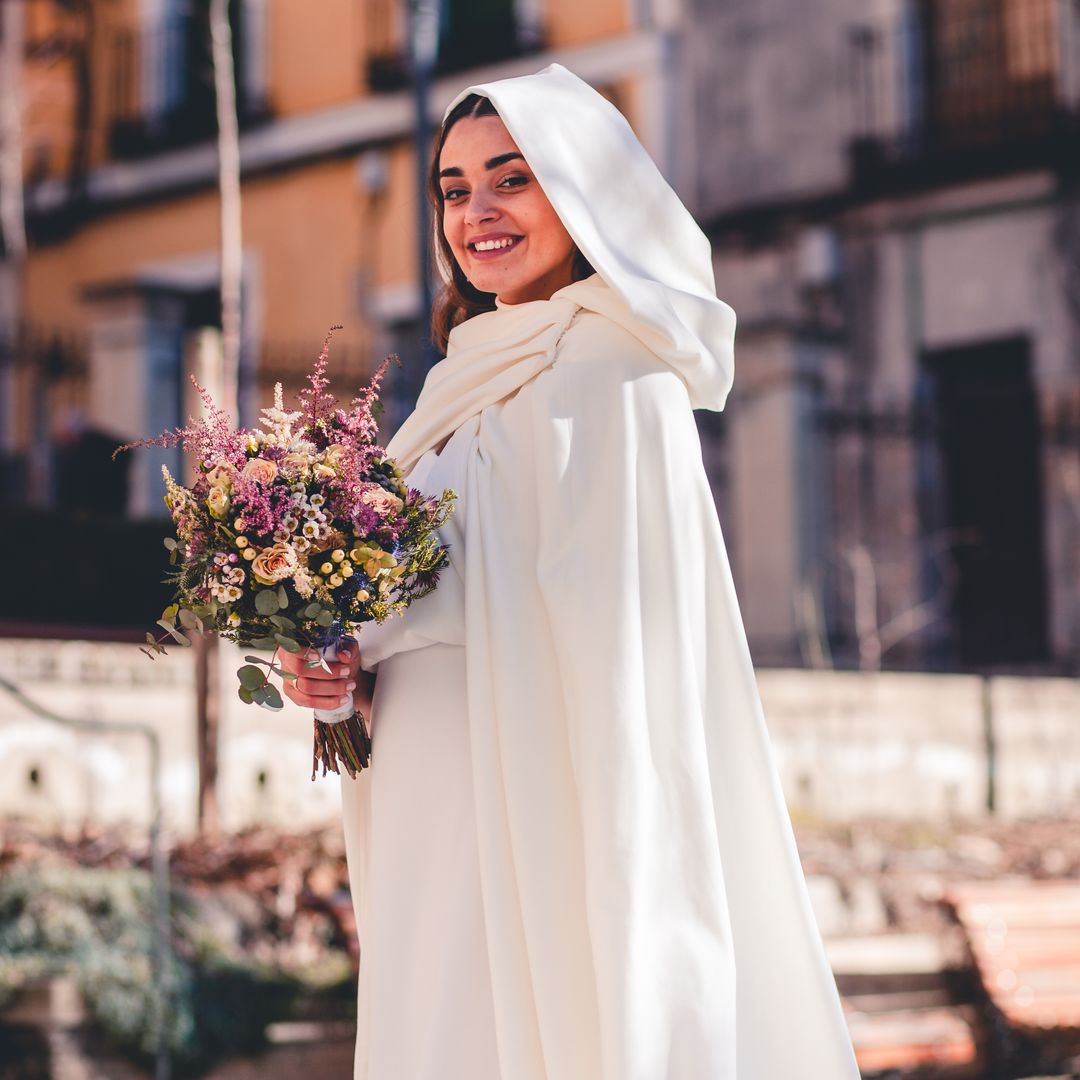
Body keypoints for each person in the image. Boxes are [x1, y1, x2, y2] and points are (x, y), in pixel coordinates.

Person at [279, 63, 860, 1080]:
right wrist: (335, 672)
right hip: (429, 801)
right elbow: (423, 598)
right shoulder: (455, 386)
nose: (478, 213)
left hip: (547, 795)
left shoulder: (615, 367)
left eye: (514, 178)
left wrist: (391, 623)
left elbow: (601, 625)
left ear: (579, 190)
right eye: (454, 190)